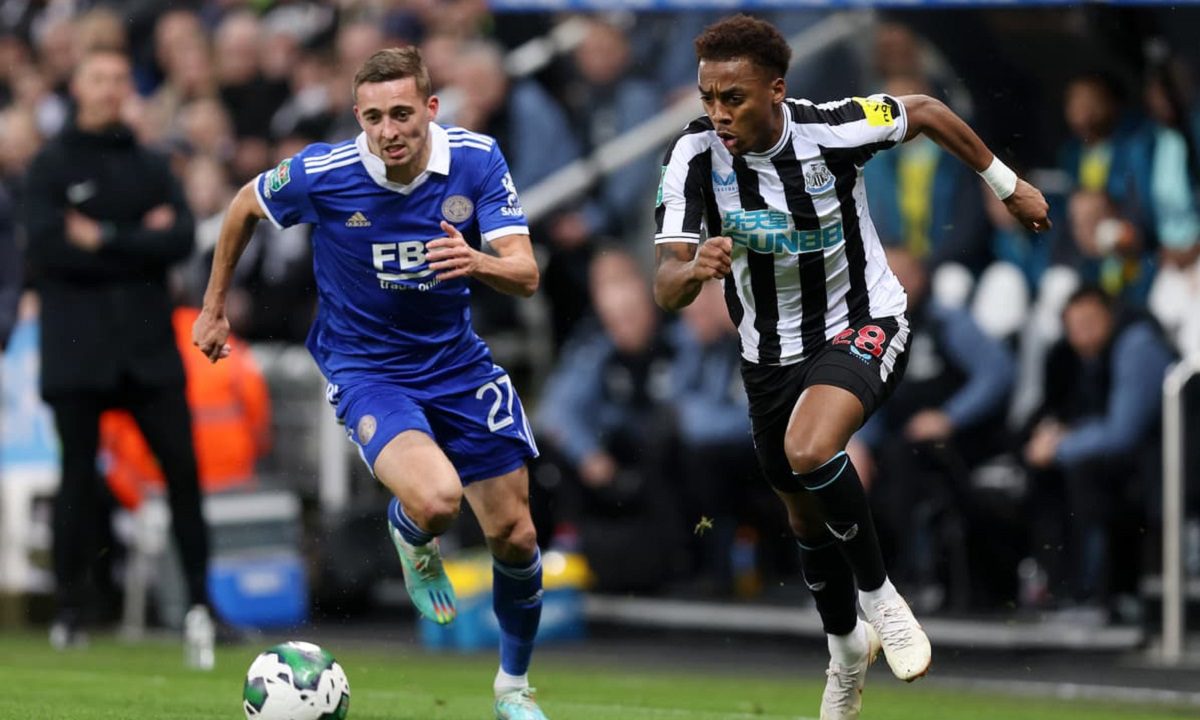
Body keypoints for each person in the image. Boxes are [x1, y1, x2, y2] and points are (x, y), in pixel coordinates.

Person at [651, 15, 1049, 720]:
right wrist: (692, 272)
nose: (718, 112)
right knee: (805, 520)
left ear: (776, 91)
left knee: (810, 449)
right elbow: (665, 283)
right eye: (709, 96)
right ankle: (843, 653)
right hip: (768, 354)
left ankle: (881, 598)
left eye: (733, 97)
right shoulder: (692, 157)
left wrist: (1006, 183)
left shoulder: (833, 128)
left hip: (864, 320)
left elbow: (926, 111)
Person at [192, 47, 548, 720]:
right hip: (368, 369)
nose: (389, 131)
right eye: (375, 117)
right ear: (358, 117)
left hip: (458, 366)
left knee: (517, 536)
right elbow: (242, 205)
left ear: (431, 109)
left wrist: (475, 260)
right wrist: (213, 307)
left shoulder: (476, 159)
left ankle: (513, 688)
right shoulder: (323, 173)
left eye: (403, 114)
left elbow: (525, 273)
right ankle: (411, 531)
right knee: (438, 501)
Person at [22, 47, 216, 657]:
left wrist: (102, 236)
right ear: (77, 87)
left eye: (118, 79)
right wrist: (138, 242)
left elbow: (180, 238)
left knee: (184, 474)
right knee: (77, 479)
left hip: (147, 346)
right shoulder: (49, 166)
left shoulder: (152, 164)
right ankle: (71, 608)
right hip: (77, 348)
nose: (110, 88)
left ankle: (201, 608)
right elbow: (48, 250)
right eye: (98, 78)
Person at [1023, 285, 1175, 622]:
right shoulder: (1073, 357)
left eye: (1090, 323)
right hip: (1127, 463)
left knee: (1085, 477)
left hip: (1166, 466)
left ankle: (1099, 595)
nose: (1082, 334)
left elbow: (1124, 432)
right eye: (1074, 326)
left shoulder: (1136, 345)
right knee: (1045, 476)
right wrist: (1056, 435)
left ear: (1110, 316)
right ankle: (1060, 589)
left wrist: (1059, 446)